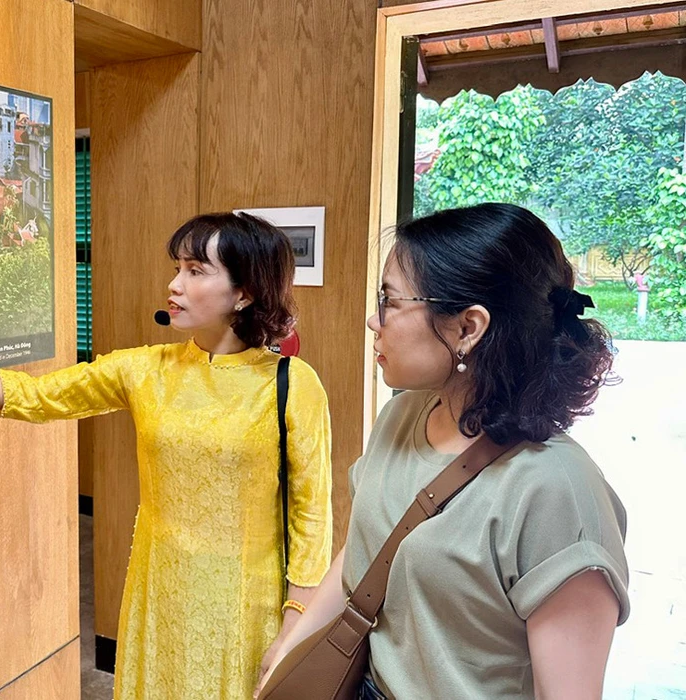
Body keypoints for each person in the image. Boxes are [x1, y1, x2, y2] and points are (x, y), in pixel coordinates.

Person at [0, 212, 333, 699]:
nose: (174, 284)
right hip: (160, 591)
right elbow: (33, 395)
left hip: (247, 604)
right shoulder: (146, 370)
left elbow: (312, 514)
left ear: (245, 292)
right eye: (177, 267)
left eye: (196, 271)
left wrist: (296, 622)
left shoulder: (292, 385)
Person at [257, 203, 629, 700]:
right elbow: (367, 550)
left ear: (468, 328)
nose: (374, 320)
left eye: (389, 300)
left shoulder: (557, 491)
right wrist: (289, 652)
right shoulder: (403, 415)